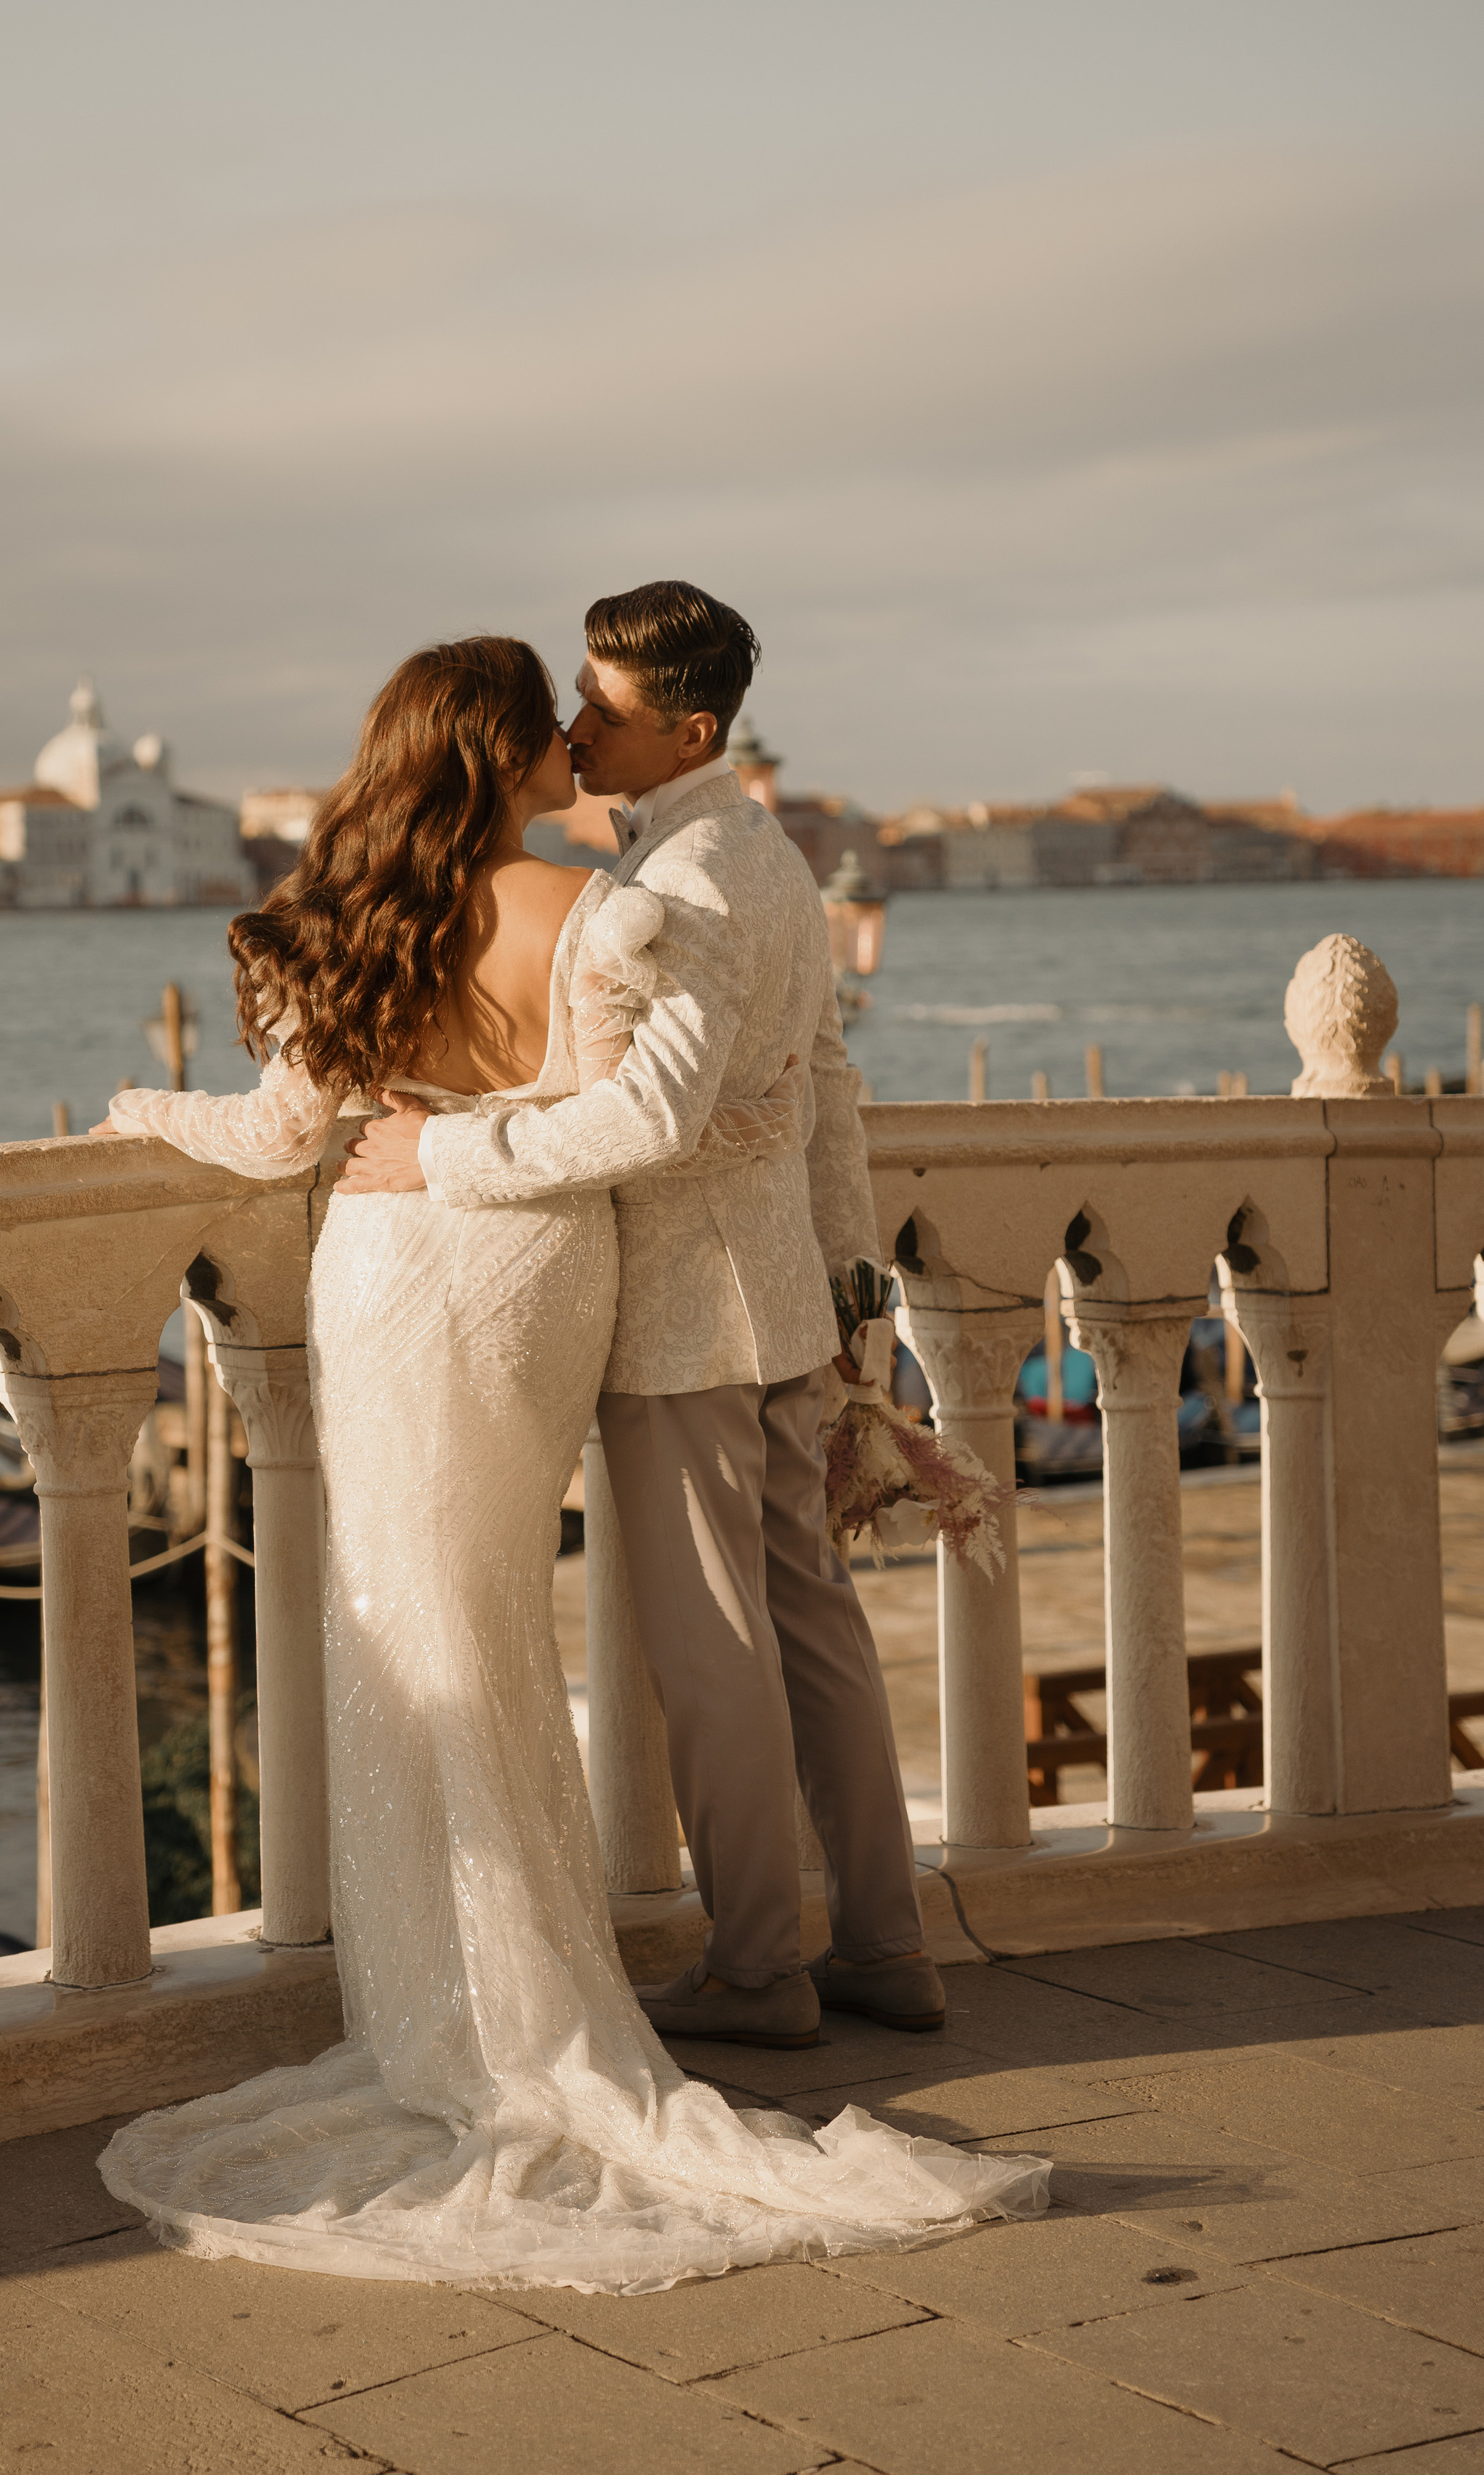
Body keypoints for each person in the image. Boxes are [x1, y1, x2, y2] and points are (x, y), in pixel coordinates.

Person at [92, 629, 1046, 2293]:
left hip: (393, 1270)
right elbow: (689, 1107)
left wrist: (127, 1110)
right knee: (492, 1626)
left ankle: (467, 2003)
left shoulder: (348, 919)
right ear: (499, 755)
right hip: (549, 1283)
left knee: (413, 1619)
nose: (568, 734)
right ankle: (584, 1987)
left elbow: (273, 1138)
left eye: (587, 710)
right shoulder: (607, 915)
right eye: (549, 718)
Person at [347, 583, 946, 2050]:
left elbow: (653, 1119)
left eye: (599, 709)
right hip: (782, 1304)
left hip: (682, 1322)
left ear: (681, 728)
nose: (570, 725)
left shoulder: (672, 887)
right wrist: (850, 1274)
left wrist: (442, 1150)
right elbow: (827, 1090)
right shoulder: (777, 860)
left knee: (713, 1655)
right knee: (808, 1629)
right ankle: (881, 1946)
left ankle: (759, 1971)